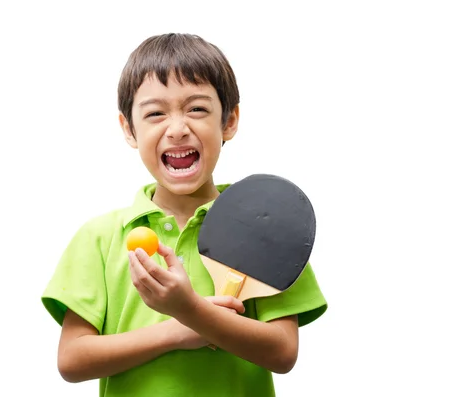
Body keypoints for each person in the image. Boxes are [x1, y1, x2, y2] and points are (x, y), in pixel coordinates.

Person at [41, 32, 327, 397]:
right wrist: (177, 328)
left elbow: (283, 352)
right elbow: (72, 359)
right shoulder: (99, 237)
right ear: (129, 129)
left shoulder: (267, 224)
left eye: (196, 108)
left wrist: (190, 310)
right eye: (156, 113)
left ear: (229, 120)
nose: (177, 129)